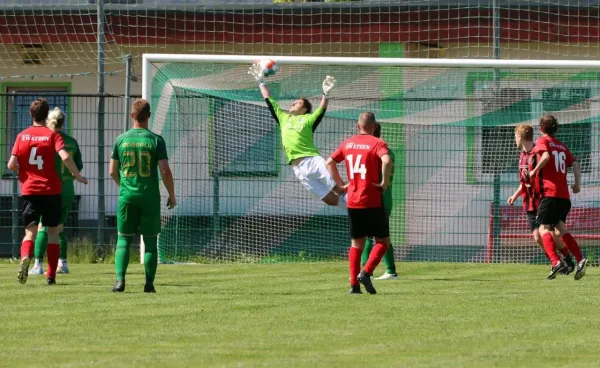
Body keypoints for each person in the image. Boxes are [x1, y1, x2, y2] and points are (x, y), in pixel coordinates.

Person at [7, 98, 88, 285]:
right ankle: (51, 275)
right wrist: (77, 176)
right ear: (46, 115)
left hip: (30, 191)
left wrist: (25, 172)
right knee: (53, 233)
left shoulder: (22, 136)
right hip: (51, 191)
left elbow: (11, 164)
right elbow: (65, 156)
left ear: (30, 114)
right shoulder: (52, 136)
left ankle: (26, 256)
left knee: (30, 233)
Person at [248, 63, 346, 206]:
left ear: (305, 109)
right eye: (293, 102)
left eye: (297, 103)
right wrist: (261, 82)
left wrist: (326, 94)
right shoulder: (283, 118)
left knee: (338, 188)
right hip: (298, 169)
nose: (293, 103)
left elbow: (321, 109)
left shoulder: (309, 119)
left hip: (313, 161)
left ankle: (364, 204)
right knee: (329, 200)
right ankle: (353, 209)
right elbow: (269, 100)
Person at [109, 99, 176, 293]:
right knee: (150, 241)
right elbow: (164, 170)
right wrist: (172, 194)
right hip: (149, 197)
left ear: (132, 115)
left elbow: (112, 171)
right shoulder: (156, 140)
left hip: (127, 196)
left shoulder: (121, 139)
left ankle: (120, 281)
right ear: (149, 115)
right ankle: (149, 284)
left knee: (123, 239)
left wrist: (124, 187)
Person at [326, 112, 393, 294]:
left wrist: (341, 185)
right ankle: (366, 273)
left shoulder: (348, 143)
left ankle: (353, 285)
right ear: (375, 126)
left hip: (353, 201)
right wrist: (384, 183)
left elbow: (330, 163)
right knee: (382, 241)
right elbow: (386, 160)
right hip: (371, 199)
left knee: (357, 244)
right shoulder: (377, 143)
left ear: (358, 126)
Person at [507, 124, 574, 275]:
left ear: (521, 137)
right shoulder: (522, 156)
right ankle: (556, 261)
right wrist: (515, 195)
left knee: (553, 233)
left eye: (515, 137)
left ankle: (566, 259)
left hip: (543, 198)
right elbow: (525, 181)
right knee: (538, 237)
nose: (514, 140)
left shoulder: (537, 153)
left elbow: (547, 172)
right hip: (529, 202)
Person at [528, 115, 587, 280]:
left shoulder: (542, 141)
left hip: (550, 193)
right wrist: (577, 184)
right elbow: (575, 164)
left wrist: (534, 171)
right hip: (564, 196)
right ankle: (580, 259)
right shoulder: (561, 146)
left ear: (541, 128)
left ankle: (555, 262)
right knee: (561, 228)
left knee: (543, 229)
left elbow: (545, 157)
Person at [29, 107, 84, 276]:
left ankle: (38, 265)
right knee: (59, 227)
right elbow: (78, 165)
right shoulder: (72, 142)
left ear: (48, 121)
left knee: (42, 227)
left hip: (49, 187)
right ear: (63, 122)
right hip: (67, 188)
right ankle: (63, 263)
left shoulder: (46, 139)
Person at [361, 122, 398, 280]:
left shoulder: (374, 150)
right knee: (376, 236)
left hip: (377, 199)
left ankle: (368, 272)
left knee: (372, 236)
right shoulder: (387, 151)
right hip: (385, 198)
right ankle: (387, 271)